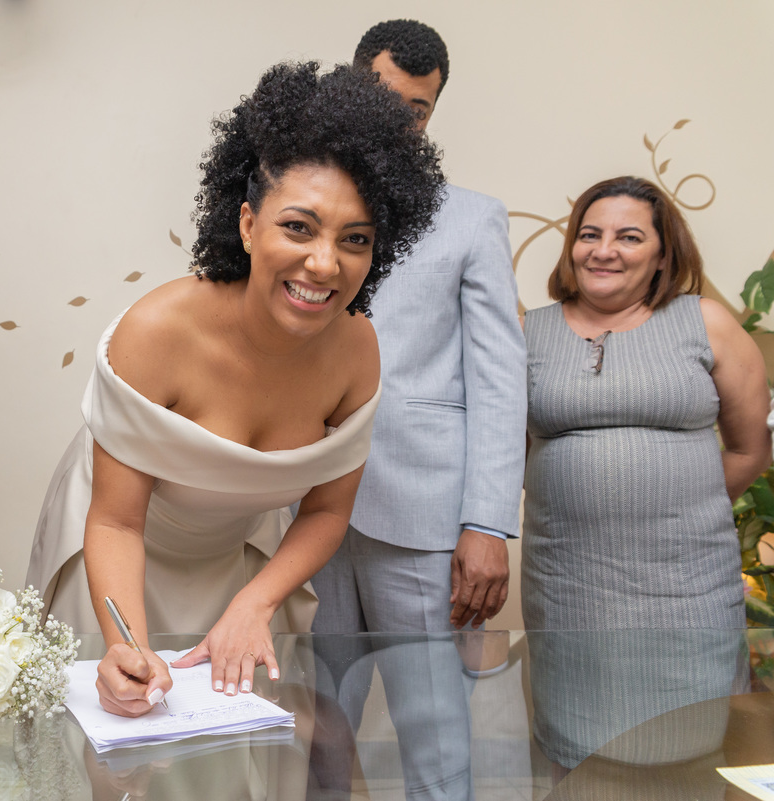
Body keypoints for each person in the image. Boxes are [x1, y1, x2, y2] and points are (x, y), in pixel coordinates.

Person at [26, 61, 444, 717]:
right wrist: (126, 645)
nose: (324, 264)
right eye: (298, 227)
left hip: (239, 565)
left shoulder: (357, 350)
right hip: (115, 557)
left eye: (355, 240)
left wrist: (256, 602)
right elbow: (114, 518)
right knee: (117, 738)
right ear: (248, 224)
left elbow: (328, 511)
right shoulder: (156, 333)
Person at [306, 20, 526, 800]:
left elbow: (501, 377)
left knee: (434, 736)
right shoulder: (291, 203)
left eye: (420, 109)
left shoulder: (472, 218)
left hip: (426, 516)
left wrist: (488, 523)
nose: (402, 121)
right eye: (387, 98)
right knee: (312, 731)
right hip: (303, 509)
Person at [522, 175, 769, 769]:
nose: (603, 250)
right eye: (590, 234)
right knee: (581, 757)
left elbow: (749, 448)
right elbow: (507, 456)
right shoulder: (530, 332)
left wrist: (683, 508)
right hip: (569, 586)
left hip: (687, 589)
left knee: (692, 748)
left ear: (662, 254)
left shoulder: (705, 322)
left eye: (629, 237)